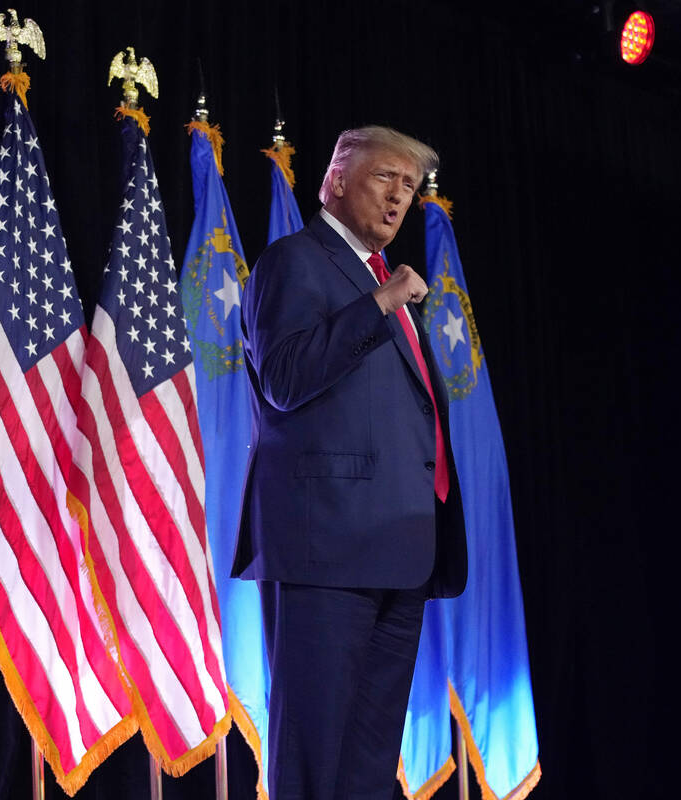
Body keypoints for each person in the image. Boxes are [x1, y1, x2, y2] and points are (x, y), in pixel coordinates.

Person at [233, 125, 468, 799]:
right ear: (335, 182)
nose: (400, 198)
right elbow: (284, 376)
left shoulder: (377, 279)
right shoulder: (294, 262)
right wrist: (380, 305)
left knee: (366, 769)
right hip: (326, 548)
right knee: (313, 760)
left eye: (410, 187)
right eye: (384, 179)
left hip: (396, 549)